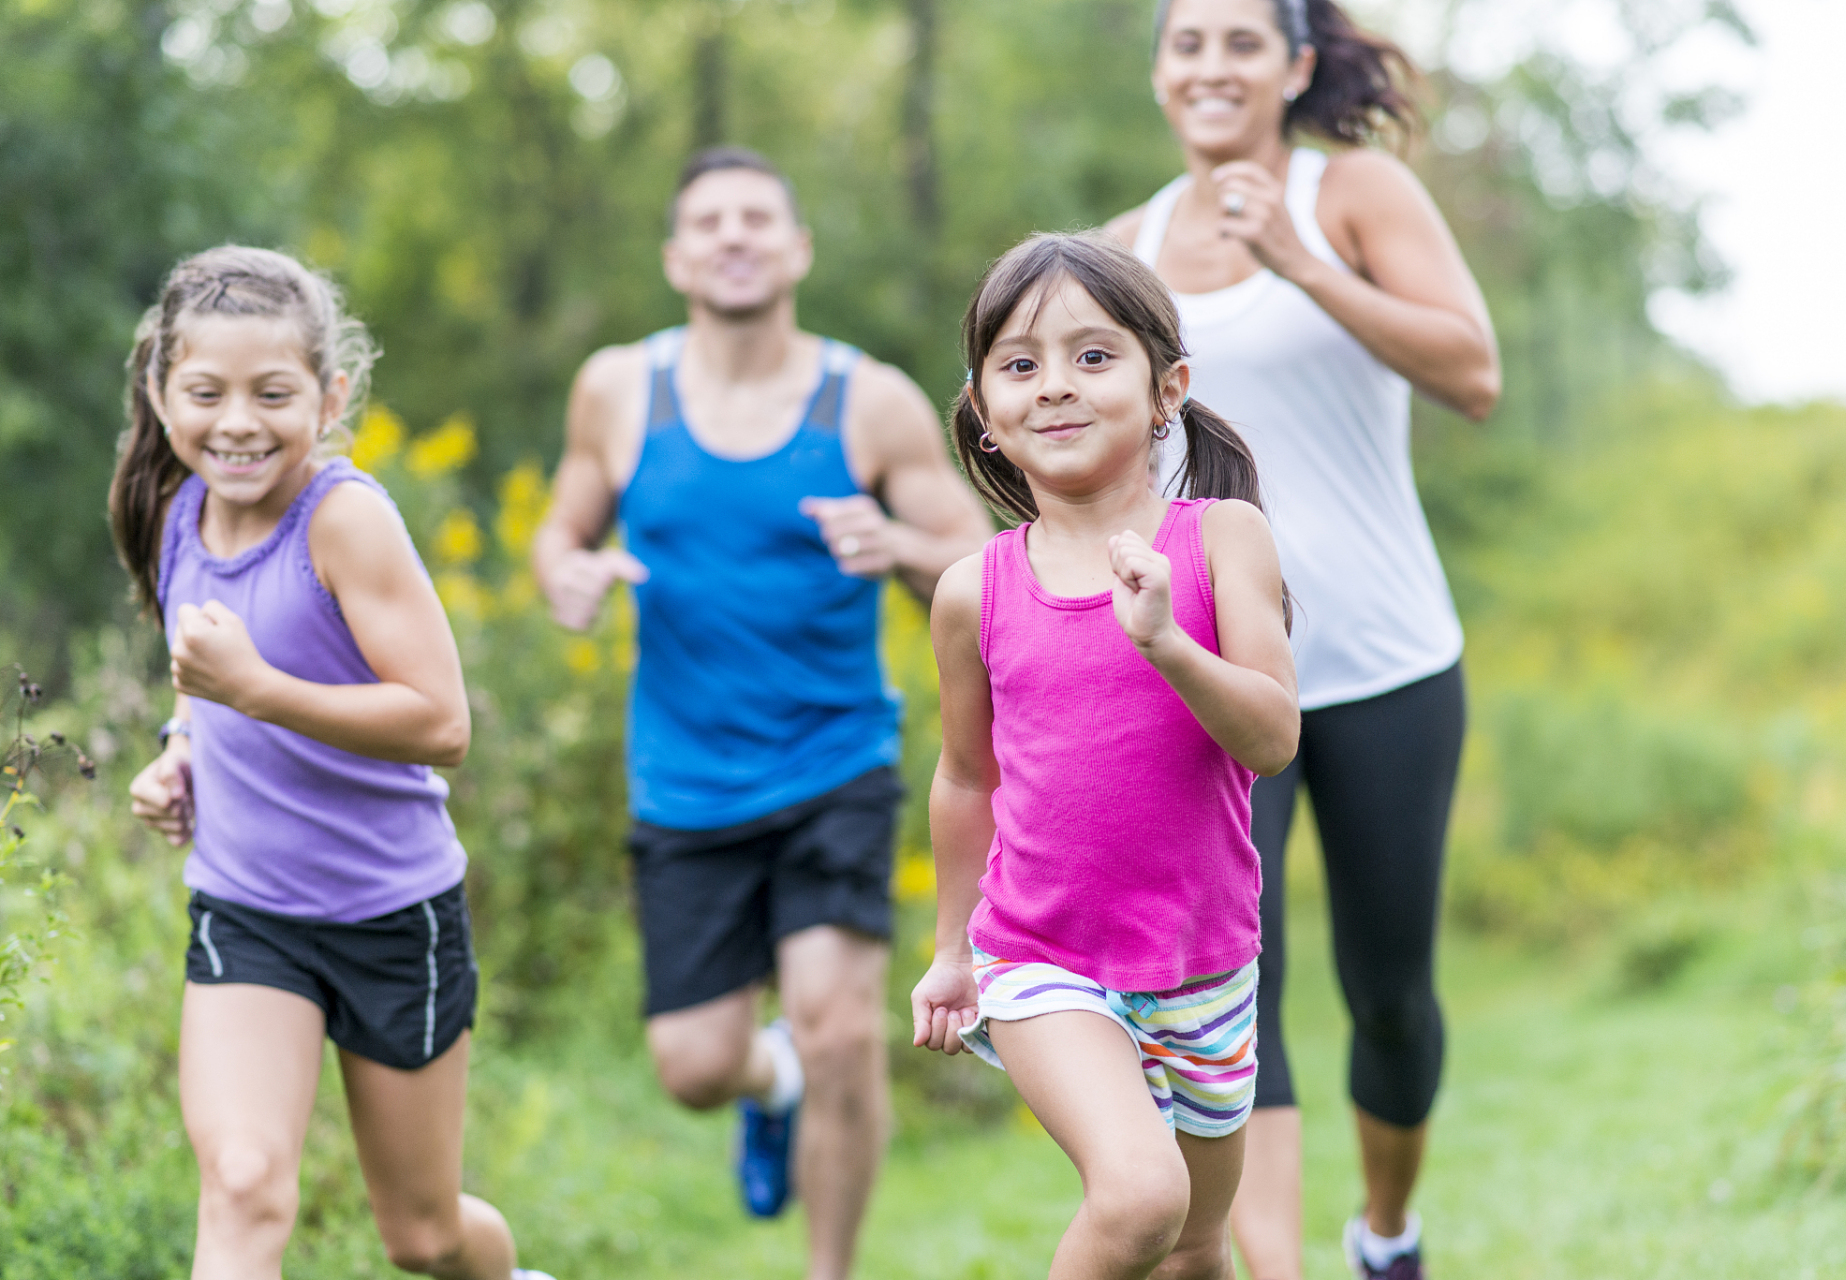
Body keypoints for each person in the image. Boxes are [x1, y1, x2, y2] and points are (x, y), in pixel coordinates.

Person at [531, 148, 991, 1279]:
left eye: (756, 219)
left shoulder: (867, 399)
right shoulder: (618, 389)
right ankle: (765, 1080)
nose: (733, 236)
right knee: (693, 1063)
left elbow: (982, 568)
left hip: (836, 760)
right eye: (709, 221)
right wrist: (568, 577)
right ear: (677, 255)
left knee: (841, 1029)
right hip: (683, 778)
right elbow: (558, 534)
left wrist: (901, 550)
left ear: (797, 250)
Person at [1107, 2, 1503, 1277]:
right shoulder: (1125, 248)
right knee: (1237, 992)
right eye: (1186, 42)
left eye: (1239, 41)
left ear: (1293, 65)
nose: (1209, 65)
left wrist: (1300, 261)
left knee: (1388, 988)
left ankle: (1386, 1231)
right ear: (1159, 72)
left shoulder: (1353, 192)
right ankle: (1270, 1263)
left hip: (1388, 658)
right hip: (1222, 676)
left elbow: (1472, 372)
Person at [112, 247, 550, 1280]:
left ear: (331, 393)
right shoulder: (180, 511)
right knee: (245, 1180)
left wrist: (255, 689)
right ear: (161, 391)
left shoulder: (345, 520)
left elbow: (440, 720)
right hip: (247, 909)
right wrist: (180, 748)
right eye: (205, 392)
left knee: (424, 1234)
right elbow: (203, 666)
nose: (237, 423)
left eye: (273, 393)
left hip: (392, 913)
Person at [911, 231, 1301, 1280]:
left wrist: (1169, 644)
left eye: (1093, 355)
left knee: (1195, 1245)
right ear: (985, 415)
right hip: (1041, 956)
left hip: (1204, 960)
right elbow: (965, 777)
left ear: (1164, 385)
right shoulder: (972, 590)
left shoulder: (1222, 540)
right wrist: (953, 949)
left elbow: (1270, 736)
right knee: (1137, 1195)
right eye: (1020, 364)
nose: (1054, 387)